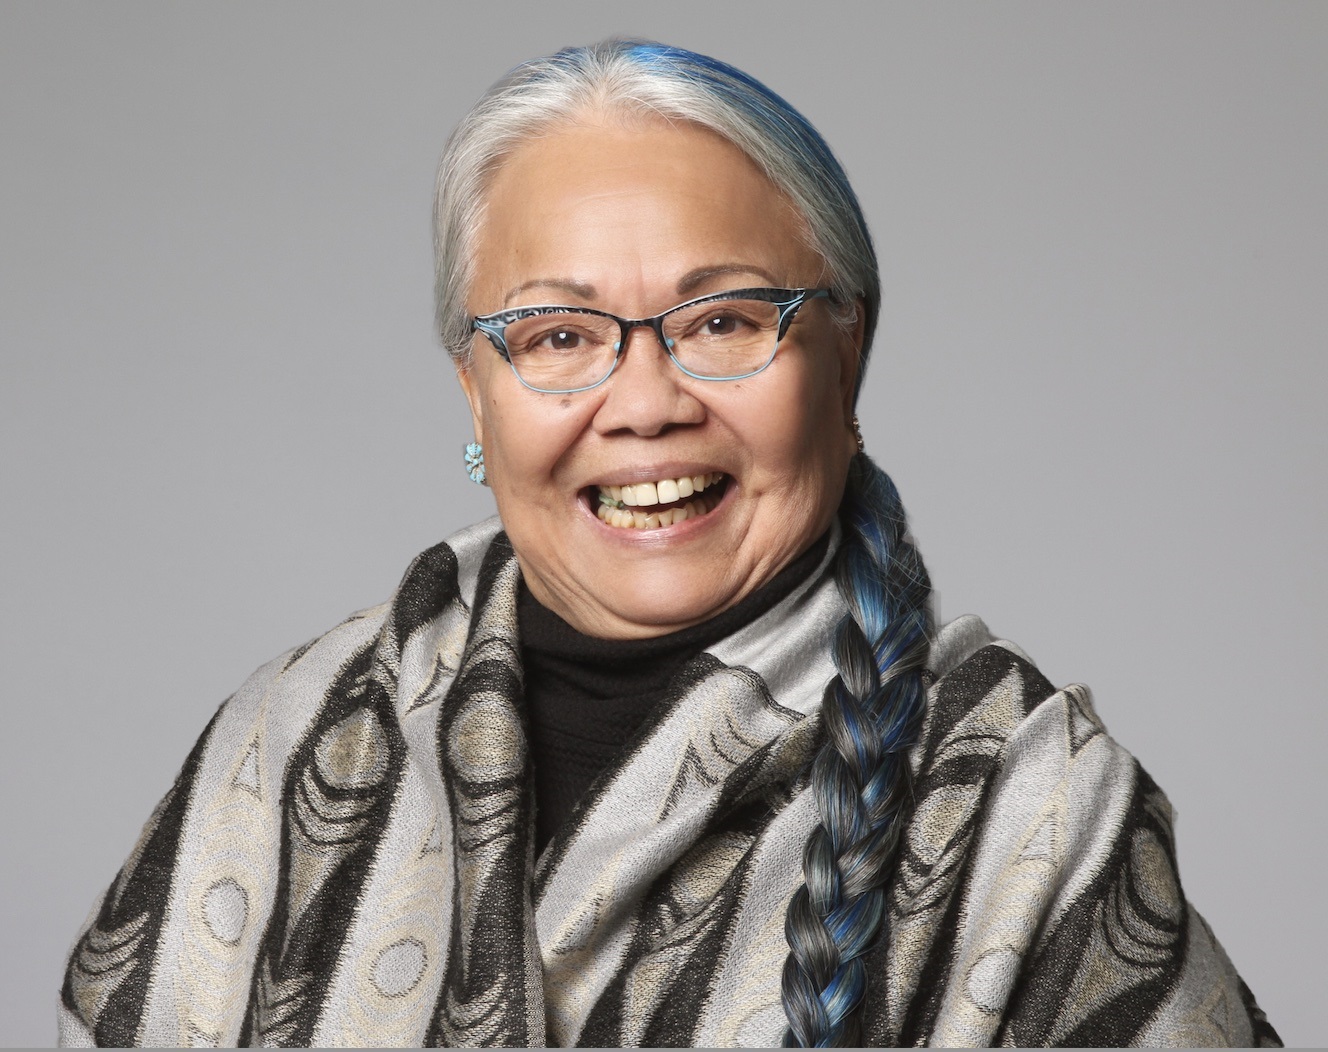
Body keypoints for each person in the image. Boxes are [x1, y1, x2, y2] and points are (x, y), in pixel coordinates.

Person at [59, 40, 1279, 1048]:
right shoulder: (290, 738)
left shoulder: (1028, 806)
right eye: (554, 336)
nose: (643, 400)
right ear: (474, 393)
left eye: (724, 318)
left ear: (845, 358)